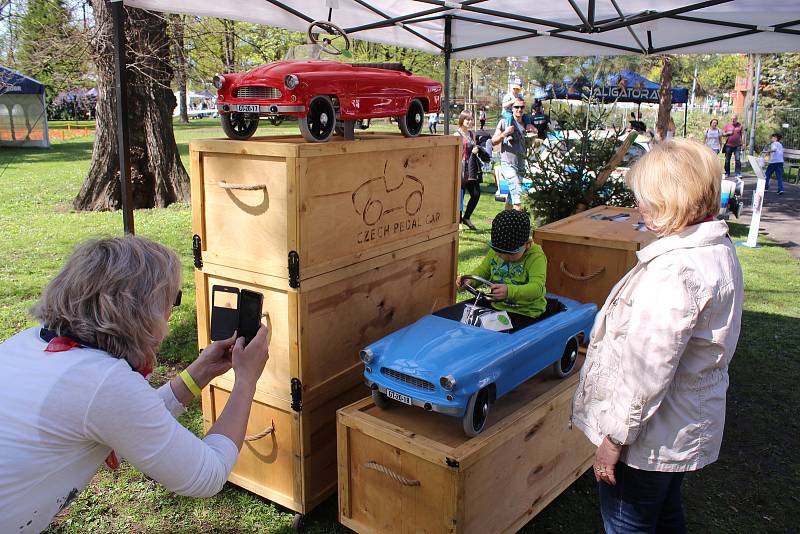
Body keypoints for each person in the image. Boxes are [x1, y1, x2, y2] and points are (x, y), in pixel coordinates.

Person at [0, 236, 271, 533]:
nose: (172, 312)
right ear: (141, 309)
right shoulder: (103, 384)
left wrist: (202, 371)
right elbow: (207, 474)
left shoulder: (30, 343)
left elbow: (134, 417)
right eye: (173, 299)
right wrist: (246, 381)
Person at [572, 138, 744, 534]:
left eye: (648, 199)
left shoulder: (675, 270)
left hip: (648, 440)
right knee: (664, 514)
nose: (641, 207)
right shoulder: (714, 247)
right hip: (677, 426)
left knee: (629, 523)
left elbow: (646, 371)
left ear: (674, 200)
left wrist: (614, 440)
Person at [457, 210, 547, 319]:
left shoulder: (535, 257)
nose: (502, 256)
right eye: (498, 251)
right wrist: (471, 281)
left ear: (527, 244)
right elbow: (484, 271)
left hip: (526, 313)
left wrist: (510, 291)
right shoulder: (497, 252)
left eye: (509, 253)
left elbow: (537, 288)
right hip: (497, 308)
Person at [492, 96, 535, 210]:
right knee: (518, 197)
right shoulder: (504, 122)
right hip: (508, 164)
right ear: (512, 108)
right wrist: (504, 134)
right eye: (516, 107)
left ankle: (505, 223)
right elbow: (493, 141)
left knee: (512, 198)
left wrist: (534, 132)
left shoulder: (527, 123)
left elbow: (534, 139)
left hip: (521, 165)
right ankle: (518, 225)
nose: (519, 110)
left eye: (522, 107)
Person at [455, 110, 490, 231]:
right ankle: (458, 221)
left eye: (471, 119)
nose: (470, 122)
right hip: (460, 167)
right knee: (460, 195)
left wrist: (477, 149)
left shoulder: (471, 134)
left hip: (471, 168)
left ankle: (467, 217)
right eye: (467, 119)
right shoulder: (456, 135)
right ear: (462, 120)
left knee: (476, 194)